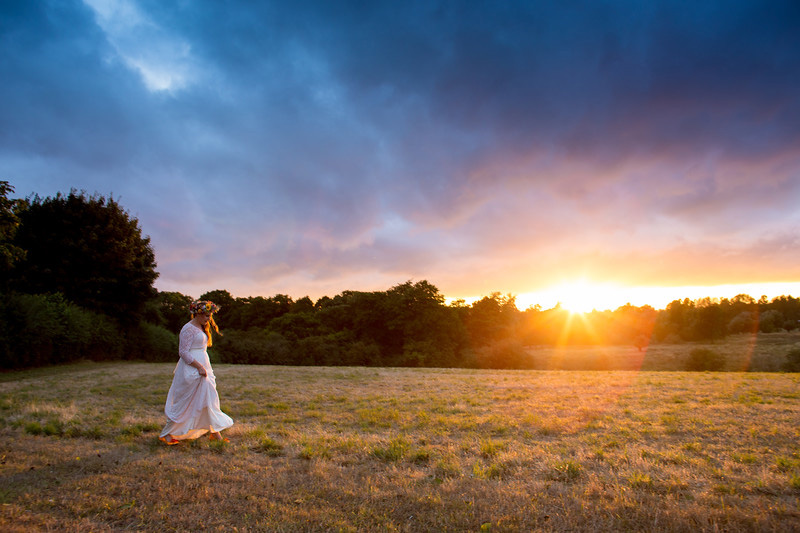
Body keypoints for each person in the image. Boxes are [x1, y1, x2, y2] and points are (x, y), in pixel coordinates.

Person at [159, 300, 233, 445]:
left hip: (204, 367)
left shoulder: (201, 327)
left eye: (210, 315)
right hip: (192, 368)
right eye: (206, 315)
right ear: (197, 314)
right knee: (185, 402)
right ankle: (167, 434)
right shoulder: (188, 329)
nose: (208, 318)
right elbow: (183, 352)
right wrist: (198, 366)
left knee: (208, 399)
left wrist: (203, 367)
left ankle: (214, 433)